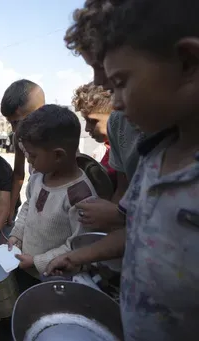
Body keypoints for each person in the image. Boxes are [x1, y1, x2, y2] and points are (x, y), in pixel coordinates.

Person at [48, 1, 199, 339]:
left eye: (119, 82)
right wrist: (81, 256)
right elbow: (138, 232)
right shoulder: (152, 158)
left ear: (188, 62)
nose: (113, 101)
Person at [62, 0, 144, 231]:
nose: (98, 80)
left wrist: (120, 217)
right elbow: (124, 191)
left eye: (101, 66)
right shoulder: (120, 123)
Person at [6, 104, 97, 277]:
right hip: (25, 265)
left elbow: (78, 246)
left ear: (58, 155)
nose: (28, 160)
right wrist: (16, 236)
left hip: (54, 277)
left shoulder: (80, 196)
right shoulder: (38, 177)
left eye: (33, 155)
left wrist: (37, 261)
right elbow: (28, 207)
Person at [0, 80, 45, 225]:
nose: (14, 130)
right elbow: (19, 174)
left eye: (17, 122)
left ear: (40, 111)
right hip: (34, 199)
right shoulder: (19, 138)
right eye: (10, 123)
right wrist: (11, 209)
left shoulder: (59, 136)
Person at [72, 82, 116, 188]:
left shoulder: (129, 153)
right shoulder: (105, 150)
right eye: (86, 121)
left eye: (93, 121)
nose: (87, 128)